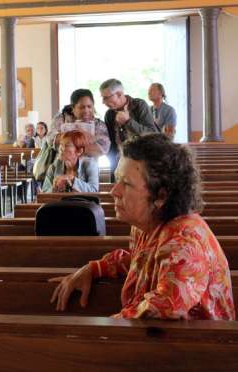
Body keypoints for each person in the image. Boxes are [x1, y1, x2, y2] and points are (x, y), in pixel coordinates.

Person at [50, 133, 235, 320]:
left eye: (127, 184)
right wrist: (94, 268)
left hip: (202, 346)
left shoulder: (185, 244)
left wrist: (97, 334)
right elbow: (142, 261)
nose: (115, 191)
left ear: (160, 196)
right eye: (117, 179)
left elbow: (161, 307)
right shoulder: (149, 224)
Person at [100, 79, 158, 178]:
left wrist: (128, 122)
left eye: (106, 98)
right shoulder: (109, 114)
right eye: (102, 98)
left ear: (119, 94)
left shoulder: (139, 105)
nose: (103, 102)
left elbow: (153, 135)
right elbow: (111, 145)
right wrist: (114, 164)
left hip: (142, 163)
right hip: (119, 164)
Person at [48, 89, 110, 158]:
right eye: (82, 107)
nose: (86, 111)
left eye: (89, 106)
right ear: (73, 108)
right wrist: (80, 136)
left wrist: (68, 144)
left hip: (88, 167)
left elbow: (103, 149)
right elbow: (50, 139)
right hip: (61, 165)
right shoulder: (61, 118)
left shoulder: (98, 124)